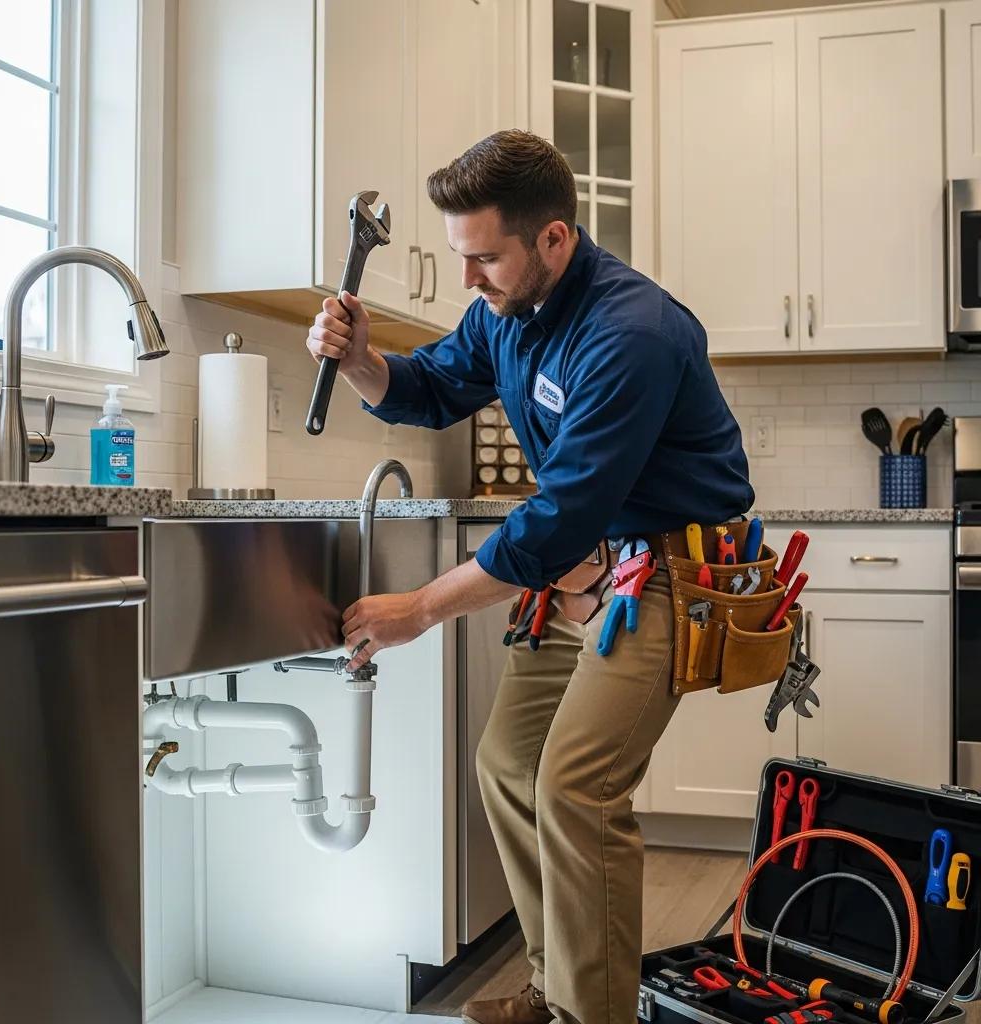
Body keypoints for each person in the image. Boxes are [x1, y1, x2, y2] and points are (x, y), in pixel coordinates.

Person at [304, 129, 753, 1024]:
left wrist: (424, 608)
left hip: (669, 570)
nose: (469, 278)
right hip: (586, 565)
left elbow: (563, 514)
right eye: (460, 258)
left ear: (554, 239)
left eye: (485, 259)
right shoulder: (502, 313)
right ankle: (556, 993)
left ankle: (596, 1015)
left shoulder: (633, 332)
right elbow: (429, 387)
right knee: (508, 764)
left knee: (576, 788)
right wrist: (358, 359)